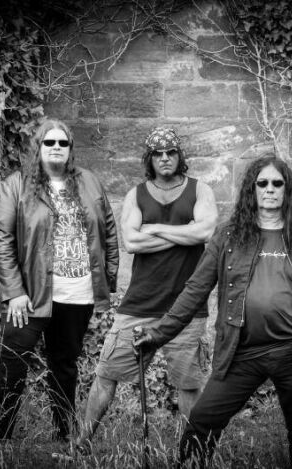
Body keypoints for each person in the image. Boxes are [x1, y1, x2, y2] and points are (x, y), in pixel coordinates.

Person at [135, 154, 292, 469]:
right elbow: (195, 290)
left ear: (287, 189)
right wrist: (158, 334)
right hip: (241, 350)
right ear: (252, 189)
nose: (269, 189)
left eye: (277, 183)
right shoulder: (229, 236)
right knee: (203, 420)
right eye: (262, 183)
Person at [76, 127, 218, 447]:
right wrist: (183, 231)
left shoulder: (200, 190)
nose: (165, 158)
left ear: (179, 155)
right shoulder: (136, 195)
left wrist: (153, 228)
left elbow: (204, 233)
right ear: (149, 159)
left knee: (189, 385)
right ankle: (81, 444)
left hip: (187, 307)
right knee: (106, 374)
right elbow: (131, 242)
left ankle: (192, 454)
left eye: (171, 152)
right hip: (139, 304)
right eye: (158, 153)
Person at [0, 118, 119, 442]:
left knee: (64, 364)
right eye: (49, 142)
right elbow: (1, 240)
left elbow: (109, 231)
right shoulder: (16, 184)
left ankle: (63, 432)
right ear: (38, 146)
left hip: (78, 294)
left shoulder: (89, 182)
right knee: (13, 360)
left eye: (62, 143)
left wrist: (108, 281)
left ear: (70, 149)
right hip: (31, 295)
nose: (56, 147)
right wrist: (13, 291)